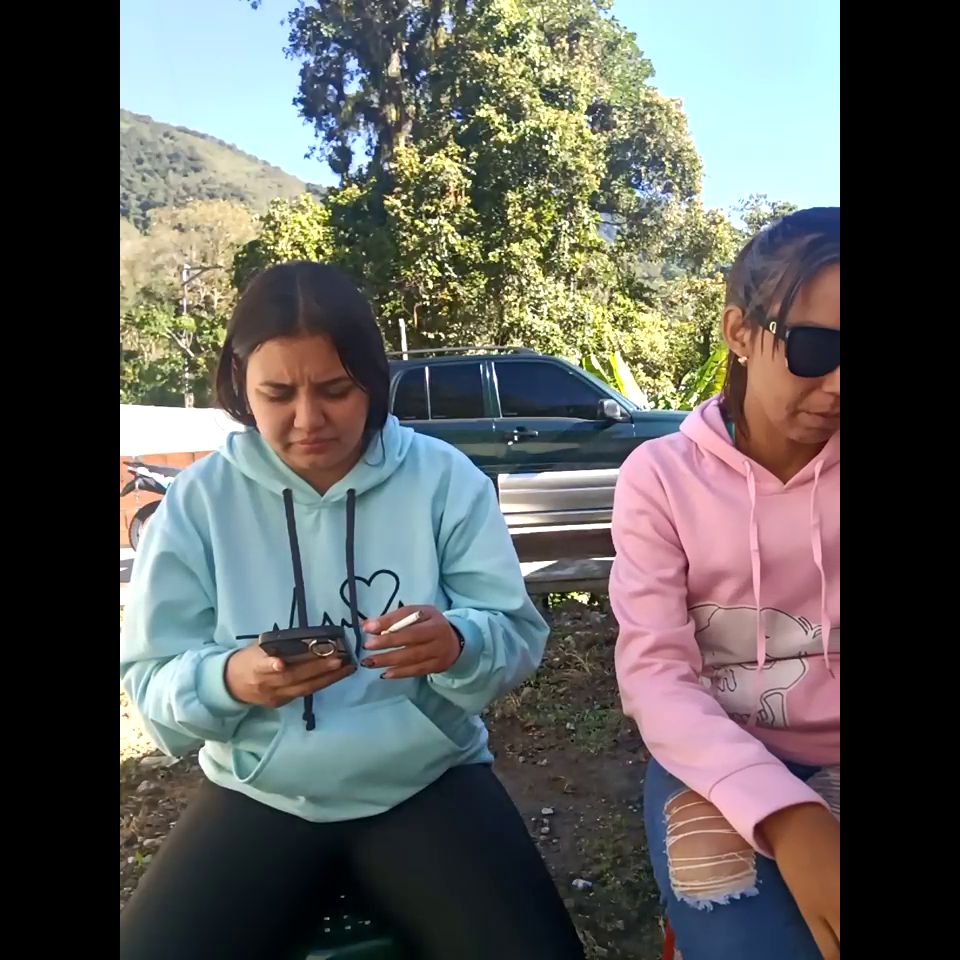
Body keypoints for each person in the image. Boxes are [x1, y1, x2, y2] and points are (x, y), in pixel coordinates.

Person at [119, 261, 584, 960]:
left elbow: (516, 632)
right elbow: (150, 681)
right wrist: (231, 679)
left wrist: (458, 644)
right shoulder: (200, 501)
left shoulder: (442, 479)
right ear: (240, 384)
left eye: (335, 390)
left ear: (372, 379)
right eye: (278, 394)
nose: (308, 420)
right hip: (261, 791)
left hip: (427, 781)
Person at [610, 208, 840, 960]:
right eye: (816, 348)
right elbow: (657, 677)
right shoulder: (661, 480)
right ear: (739, 333)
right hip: (715, 756)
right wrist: (788, 814)